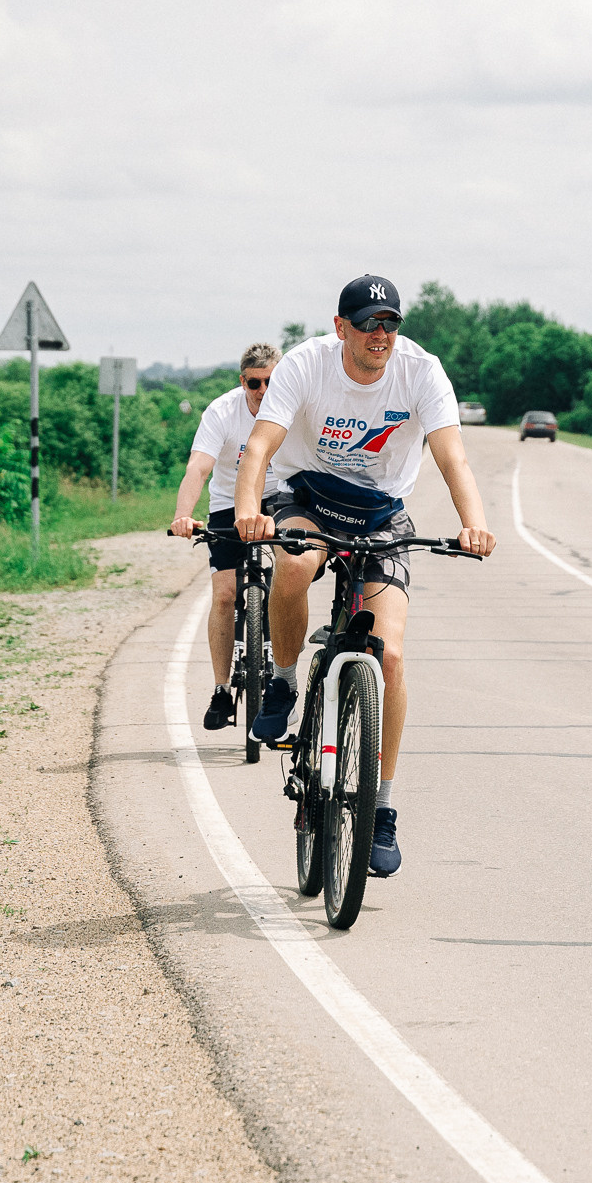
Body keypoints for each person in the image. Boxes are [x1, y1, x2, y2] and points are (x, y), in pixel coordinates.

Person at [233, 275, 495, 878]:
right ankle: (281, 679)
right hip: (308, 493)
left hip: (381, 511)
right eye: (369, 323)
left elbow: (452, 455)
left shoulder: (421, 372)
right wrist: (249, 509)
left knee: (392, 655)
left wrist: (473, 524)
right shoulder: (306, 364)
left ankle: (380, 808)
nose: (381, 335)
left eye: (390, 324)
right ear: (340, 327)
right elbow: (260, 445)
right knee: (295, 562)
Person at [170, 342, 282, 730]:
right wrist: (183, 515)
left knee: (290, 583)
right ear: (243, 381)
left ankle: (282, 674)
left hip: (280, 500)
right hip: (229, 504)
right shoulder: (222, 411)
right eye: (255, 383)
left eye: (271, 381)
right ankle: (221, 689)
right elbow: (198, 468)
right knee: (223, 594)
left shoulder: (294, 408)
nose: (263, 391)